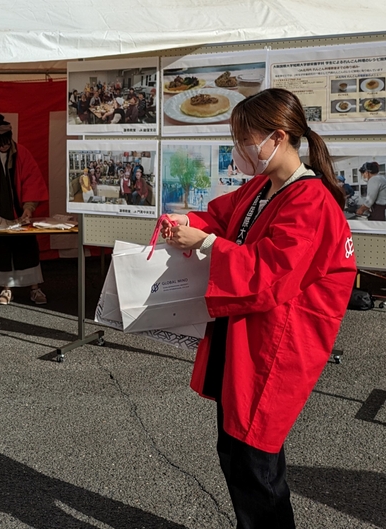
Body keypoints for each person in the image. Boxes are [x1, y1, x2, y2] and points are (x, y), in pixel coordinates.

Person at [162, 88, 356, 529]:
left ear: (278, 137)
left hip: (276, 344)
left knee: (256, 464)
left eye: (244, 139)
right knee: (236, 452)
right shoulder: (262, 187)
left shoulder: (310, 201)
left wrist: (207, 243)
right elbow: (220, 216)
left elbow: (270, 273)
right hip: (247, 334)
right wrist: (188, 223)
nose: (239, 150)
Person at [0, 114, 49, 305]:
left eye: (5, 143)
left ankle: (35, 288)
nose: (3, 147)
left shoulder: (23, 153)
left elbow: (32, 181)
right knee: (2, 251)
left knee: (27, 250)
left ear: (11, 138)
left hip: (20, 211)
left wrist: (29, 208)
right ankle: (6, 289)